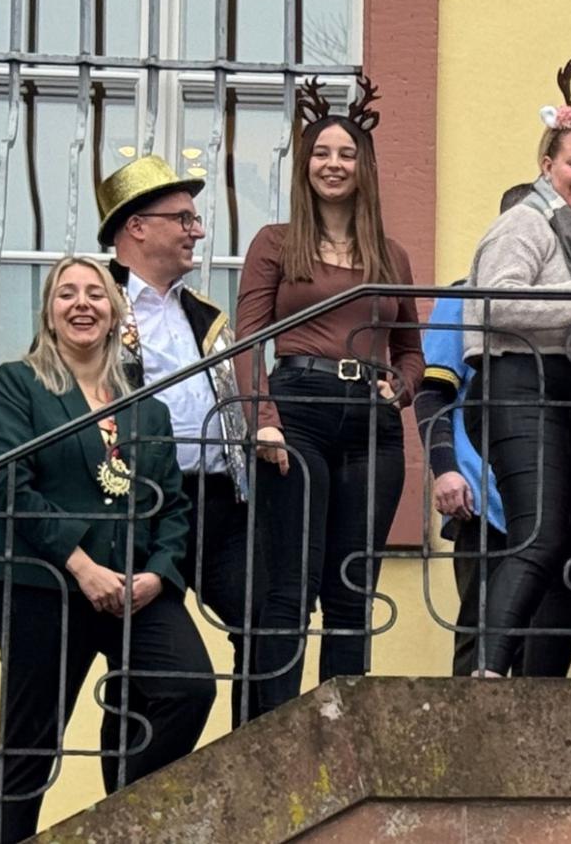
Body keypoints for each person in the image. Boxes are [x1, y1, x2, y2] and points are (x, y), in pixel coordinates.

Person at [0, 255, 213, 844]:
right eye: (67, 295)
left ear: (115, 315)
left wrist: (159, 574)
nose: (82, 304)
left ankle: (119, 822)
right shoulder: (18, 383)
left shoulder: (148, 408)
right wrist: (82, 566)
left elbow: (173, 505)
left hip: (136, 587)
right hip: (46, 583)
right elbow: (8, 484)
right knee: (31, 741)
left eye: (96, 294)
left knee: (188, 686)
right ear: (50, 314)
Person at [231, 83, 420, 718]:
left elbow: (410, 348)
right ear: (305, 166)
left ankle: (342, 732)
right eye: (320, 154)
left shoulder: (390, 253)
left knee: (352, 589)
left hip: (372, 423)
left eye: (345, 154)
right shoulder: (276, 242)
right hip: (298, 408)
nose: (333, 164)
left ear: (363, 167)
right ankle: (272, 730)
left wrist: (406, 385)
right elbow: (247, 341)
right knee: (291, 586)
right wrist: (261, 419)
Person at [462, 43, 571, 678]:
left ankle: (541, 684)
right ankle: (486, 671)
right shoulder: (526, 224)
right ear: (548, 164)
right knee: (539, 535)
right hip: (520, 386)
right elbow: (491, 306)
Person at [94, 154, 255, 718]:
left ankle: (255, 758)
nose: (199, 231)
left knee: (262, 621)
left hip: (216, 500)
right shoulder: (94, 303)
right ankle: (128, 793)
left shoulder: (205, 313)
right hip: (138, 501)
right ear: (137, 226)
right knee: (143, 664)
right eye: (184, 219)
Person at [416, 183, 535, 676]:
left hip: (548, 494)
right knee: (480, 635)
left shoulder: (569, 302)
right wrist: (445, 471)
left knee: (541, 638)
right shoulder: (463, 297)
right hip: (482, 495)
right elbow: (432, 393)